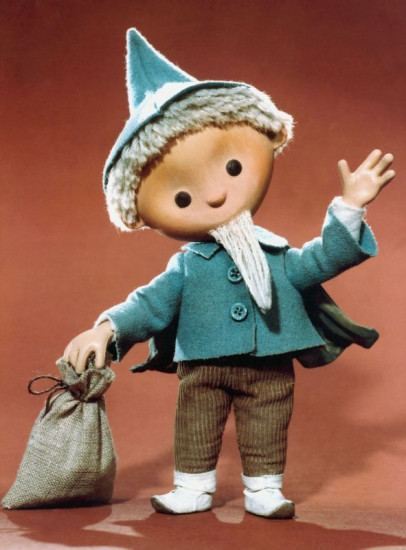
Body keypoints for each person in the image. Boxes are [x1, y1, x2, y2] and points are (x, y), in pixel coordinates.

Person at [63, 29, 395, 518]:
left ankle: (264, 488)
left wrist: (349, 208)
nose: (216, 195)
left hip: (270, 360)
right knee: (195, 423)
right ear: (142, 216)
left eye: (232, 167)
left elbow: (323, 259)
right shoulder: (187, 266)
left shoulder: (276, 254)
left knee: (268, 422)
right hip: (203, 364)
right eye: (182, 197)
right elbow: (150, 303)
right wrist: (107, 328)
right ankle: (192, 486)